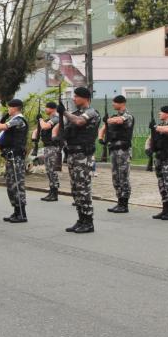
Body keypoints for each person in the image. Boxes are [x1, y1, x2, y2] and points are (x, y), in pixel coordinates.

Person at [59, 87, 101, 234]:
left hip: (83, 156)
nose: (74, 99)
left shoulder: (91, 112)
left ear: (85, 98)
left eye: (76, 96)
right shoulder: (75, 113)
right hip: (72, 155)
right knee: (75, 189)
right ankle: (81, 219)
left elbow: (78, 122)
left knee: (83, 189)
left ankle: (88, 222)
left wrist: (64, 112)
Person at [0, 99, 28, 223]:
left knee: (17, 185)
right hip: (11, 157)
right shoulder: (13, 119)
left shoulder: (18, 120)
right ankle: (16, 211)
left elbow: (1, 127)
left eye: (9, 107)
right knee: (11, 186)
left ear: (15, 108)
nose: (8, 110)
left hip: (16, 158)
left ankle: (22, 214)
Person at [100, 95, 135, 214]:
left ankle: (124, 204)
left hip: (123, 150)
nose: (112, 104)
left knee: (123, 176)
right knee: (116, 177)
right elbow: (103, 128)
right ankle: (119, 201)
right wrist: (101, 138)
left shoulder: (127, 115)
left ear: (122, 103)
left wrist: (107, 120)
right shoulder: (113, 116)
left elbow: (119, 120)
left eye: (114, 102)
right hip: (114, 149)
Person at [35, 101, 62, 202]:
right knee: (49, 170)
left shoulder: (56, 118)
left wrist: (40, 119)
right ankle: (51, 191)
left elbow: (45, 126)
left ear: (52, 108)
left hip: (53, 147)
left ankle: (54, 193)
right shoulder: (49, 119)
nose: (45, 109)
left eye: (47, 107)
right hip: (48, 147)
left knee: (52, 170)